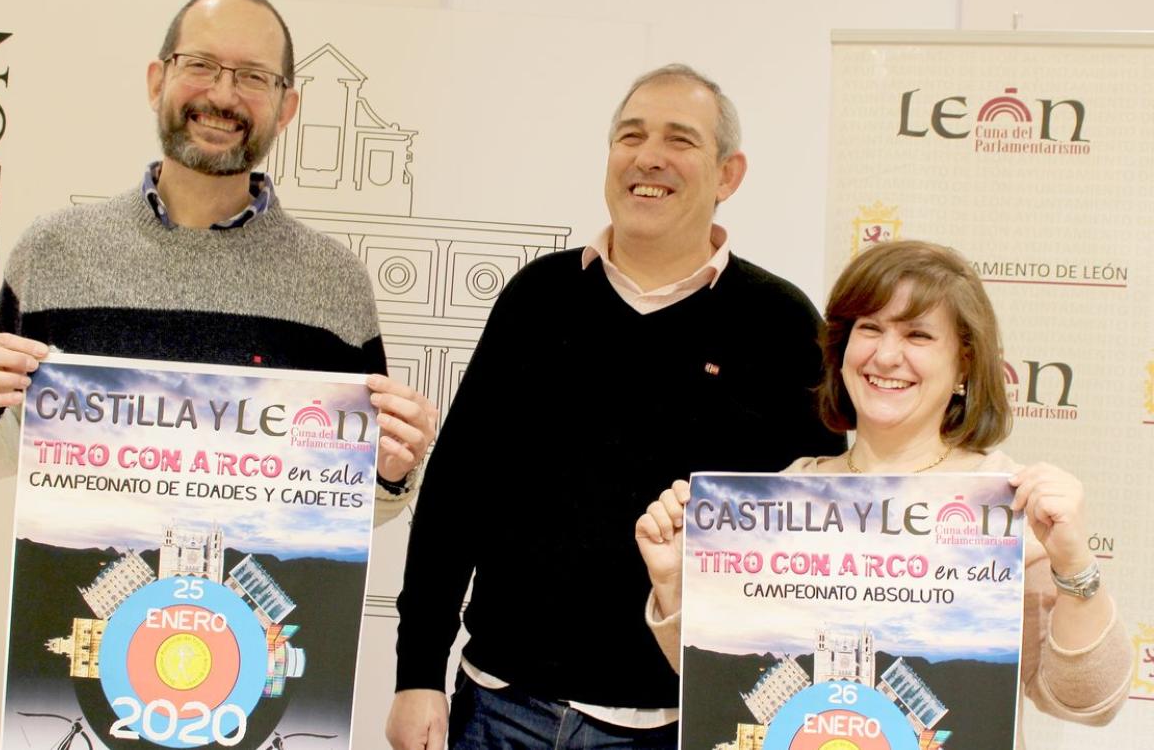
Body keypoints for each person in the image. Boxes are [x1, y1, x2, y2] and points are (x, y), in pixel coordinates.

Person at [387, 64, 844, 750]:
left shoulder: (780, 324)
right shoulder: (536, 299)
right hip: (498, 707)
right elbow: (457, 493)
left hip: (673, 727)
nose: (648, 156)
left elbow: (821, 532)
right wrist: (417, 671)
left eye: (680, 139)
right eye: (630, 136)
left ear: (728, 175)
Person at [0, 0, 437, 523]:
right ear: (158, 82)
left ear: (286, 107)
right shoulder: (53, 251)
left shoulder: (335, 283)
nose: (223, 96)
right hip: (78, 594)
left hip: (250, 604)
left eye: (253, 76)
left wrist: (388, 471)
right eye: (200, 64)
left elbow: (349, 501)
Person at [635, 239, 1131, 748]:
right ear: (843, 351)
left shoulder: (1007, 507)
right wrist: (675, 582)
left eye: (918, 334)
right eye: (869, 328)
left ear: (964, 365)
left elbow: (1087, 701)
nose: (887, 355)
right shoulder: (784, 497)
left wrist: (1073, 564)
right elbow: (723, 692)